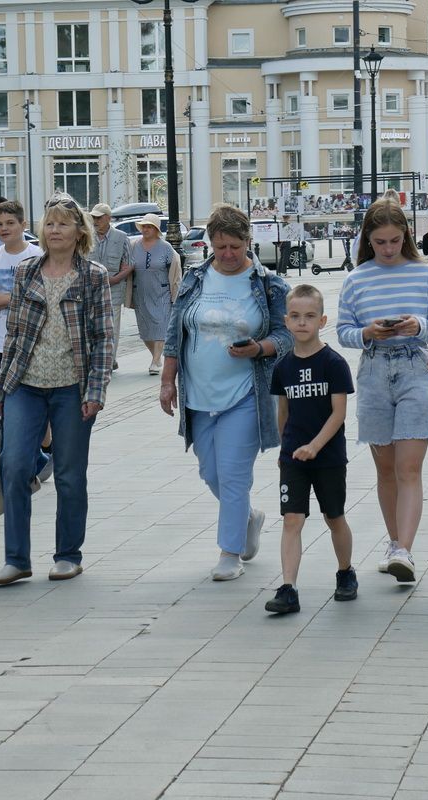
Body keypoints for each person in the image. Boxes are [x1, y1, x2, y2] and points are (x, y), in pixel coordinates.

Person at [159, 205, 292, 582]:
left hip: (246, 393)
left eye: (235, 246)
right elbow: (175, 333)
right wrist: (168, 380)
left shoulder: (268, 284)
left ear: (249, 242)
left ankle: (229, 552)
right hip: (197, 395)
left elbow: (287, 335)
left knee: (233, 475)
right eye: (220, 247)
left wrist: (260, 348)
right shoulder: (195, 278)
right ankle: (248, 517)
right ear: (210, 245)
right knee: (209, 471)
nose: (228, 254)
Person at [0, 193, 115, 585]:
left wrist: (95, 390)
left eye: (63, 223)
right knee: (13, 465)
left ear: (80, 232)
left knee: (70, 474)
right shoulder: (27, 272)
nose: (55, 229)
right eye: (50, 222)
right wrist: (0, 394)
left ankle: (67, 555)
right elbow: (14, 334)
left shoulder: (92, 276)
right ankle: (16, 559)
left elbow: (105, 337)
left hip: (72, 388)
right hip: (25, 385)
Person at [337, 198, 428, 583]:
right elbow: (343, 332)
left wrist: (417, 325)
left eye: (395, 241)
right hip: (373, 371)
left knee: (409, 466)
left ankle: (404, 550)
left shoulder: (424, 272)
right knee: (385, 469)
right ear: (369, 239)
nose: (387, 248)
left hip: (415, 366)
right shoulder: (357, 277)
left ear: (406, 237)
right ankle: (394, 541)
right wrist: (368, 332)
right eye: (380, 241)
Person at [264, 284, 356, 615]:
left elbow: (339, 413)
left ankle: (345, 572)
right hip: (294, 458)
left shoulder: (334, 363)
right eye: (296, 316)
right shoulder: (283, 367)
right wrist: (284, 449)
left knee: (334, 517)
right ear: (286, 321)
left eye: (310, 316)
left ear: (322, 320)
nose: (303, 323)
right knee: (292, 518)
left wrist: (315, 446)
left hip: (328, 457)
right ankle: (288, 588)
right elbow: (283, 412)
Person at [0, 200, 43, 398]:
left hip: (29, 341)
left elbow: (39, 302)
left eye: (10, 223)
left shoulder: (38, 256)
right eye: (0, 224)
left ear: (24, 225)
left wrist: (2, 298)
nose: (4, 228)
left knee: (29, 402)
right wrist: (22, 297)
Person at [130, 213, 181, 375]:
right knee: (145, 330)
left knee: (160, 325)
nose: (145, 229)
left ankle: (154, 362)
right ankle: (157, 357)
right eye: (144, 226)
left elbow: (175, 271)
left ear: (156, 229)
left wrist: (176, 293)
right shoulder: (133, 245)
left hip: (161, 292)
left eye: (149, 226)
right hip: (141, 293)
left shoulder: (166, 247)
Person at [89, 203, 133, 368]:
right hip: (92, 289)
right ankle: (97, 358)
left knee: (112, 327)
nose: (95, 221)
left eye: (99, 217)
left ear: (108, 218)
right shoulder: (87, 237)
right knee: (93, 326)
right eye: (94, 217)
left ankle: (109, 360)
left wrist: (116, 279)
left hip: (114, 289)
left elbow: (129, 264)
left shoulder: (121, 237)